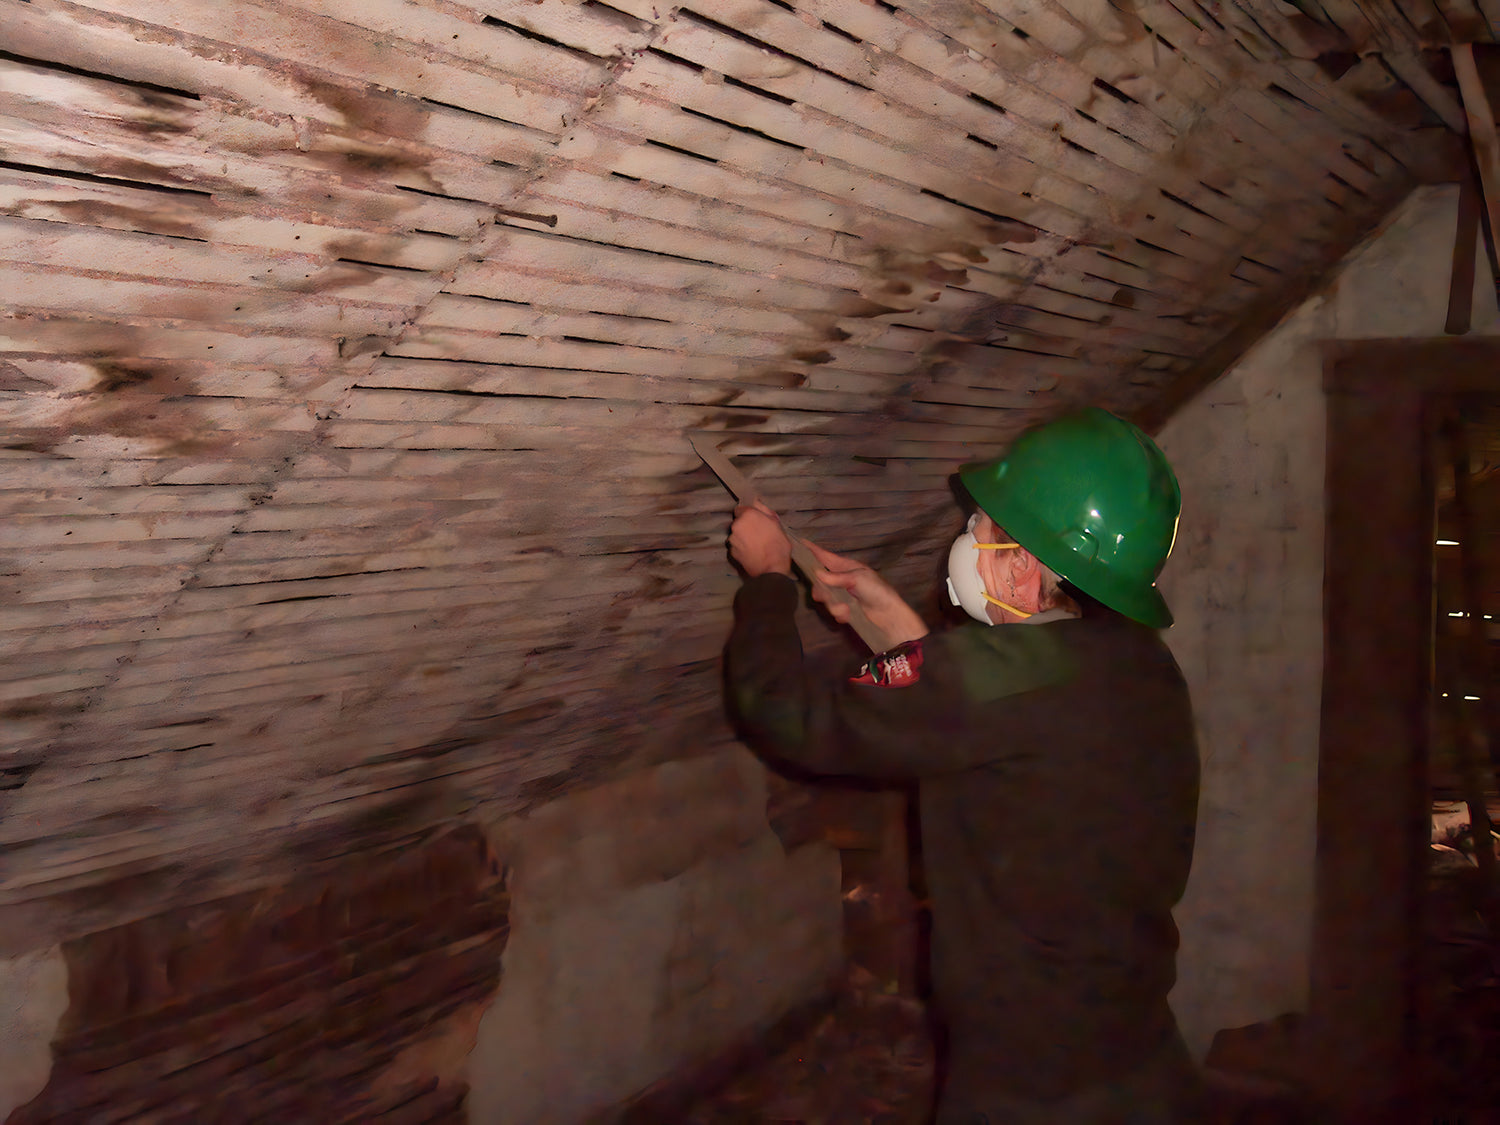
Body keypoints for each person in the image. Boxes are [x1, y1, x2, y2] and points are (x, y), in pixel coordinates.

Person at [723, 408, 1203, 1124]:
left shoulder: (993, 681)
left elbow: (782, 710)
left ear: (1022, 565)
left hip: (1028, 1084)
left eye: (981, 526)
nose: (967, 536)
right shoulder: (1139, 665)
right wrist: (881, 618)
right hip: (1138, 1057)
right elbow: (984, 711)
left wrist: (766, 581)